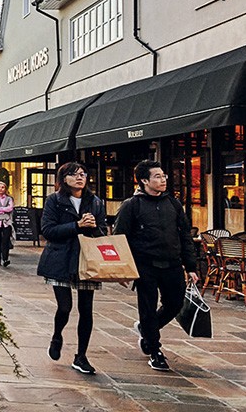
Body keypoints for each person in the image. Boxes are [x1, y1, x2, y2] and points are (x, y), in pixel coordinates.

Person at [115, 160, 198, 372]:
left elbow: (184, 235)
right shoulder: (131, 206)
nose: (163, 180)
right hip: (145, 265)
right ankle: (154, 350)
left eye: (164, 176)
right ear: (144, 180)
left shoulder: (173, 203)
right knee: (148, 308)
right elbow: (119, 239)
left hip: (172, 263)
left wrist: (191, 266)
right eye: (158, 177)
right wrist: (122, 269)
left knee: (175, 303)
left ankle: (146, 329)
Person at [37, 161, 108, 376]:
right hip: (61, 259)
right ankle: (57, 335)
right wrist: (76, 226)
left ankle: (81, 356)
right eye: (74, 174)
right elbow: (48, 230)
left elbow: (102, 232)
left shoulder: (95, 202)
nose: (80, 177)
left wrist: (94, 226)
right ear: (63, 179)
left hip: (87, 261)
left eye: (83, 174)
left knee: (86, 309)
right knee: (65, 307)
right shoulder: (54, 201)